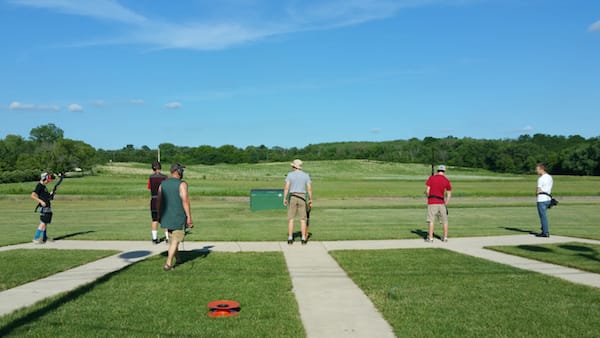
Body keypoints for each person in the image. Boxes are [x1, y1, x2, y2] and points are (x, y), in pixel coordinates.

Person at [157, 163, 193, 271]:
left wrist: (159, 214)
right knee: (176, 240)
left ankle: (178, 258)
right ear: (178, 172)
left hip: (166, 216)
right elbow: (185, 201)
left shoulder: (162, 184)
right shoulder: (182, 184)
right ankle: (168, 263)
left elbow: (158, 200)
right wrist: (189, 217)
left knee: (173, 239)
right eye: (182, 170)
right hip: (178, 216)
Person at [283, 159, 313, 245]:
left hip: (293, 197)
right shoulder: (306, 175)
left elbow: (286, 188)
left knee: (291, 219)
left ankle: (290, 238)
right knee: (303, 219)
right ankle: (303, 238)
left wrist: (284, 198)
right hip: (302, 197)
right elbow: (309, 189)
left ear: (294, 166)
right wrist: (310, 199)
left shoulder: (290, 175)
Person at [425, 165, 452, 243]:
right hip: (441, 203)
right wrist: (445, 203)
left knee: (431, 220)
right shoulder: (446, 180)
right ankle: (445, 238)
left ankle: (430, 238)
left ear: (437, 170)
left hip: (432, 202)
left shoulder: (431, 178)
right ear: (444, 171)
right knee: (445, 221)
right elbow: (449, 194)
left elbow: (427, 191)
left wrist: (428, 197)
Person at [148, 161, 169, 244]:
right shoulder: (165, 177)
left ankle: (154, 238)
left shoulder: (150, 178)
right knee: (165, 220)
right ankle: (167, 238)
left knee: (154, 220)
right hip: (162, 200)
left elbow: (149, 187)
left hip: (153, 199)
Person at [31, 173, 54, 244]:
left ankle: (44, 237)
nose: (48, 181)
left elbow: (47, 197)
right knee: (43, 222)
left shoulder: (44, 187)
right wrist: (41, 201)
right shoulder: (39, 186)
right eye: (47, 180)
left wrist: (51, 194)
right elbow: (33, 195)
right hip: (43, 207)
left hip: (47, 206)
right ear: (43, 178)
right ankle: (36, 238)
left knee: (46, 222)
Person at [535, 163, 553, 237]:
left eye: (537, 169)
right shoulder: (550, 177)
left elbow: (538, 190)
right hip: (548, 198)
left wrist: (536, 194)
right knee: (544, 215)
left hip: (541, 199)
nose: (536, 171)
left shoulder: (541, 178)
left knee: (543, 216)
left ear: (541, 169)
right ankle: (544, 229)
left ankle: (545, 232)